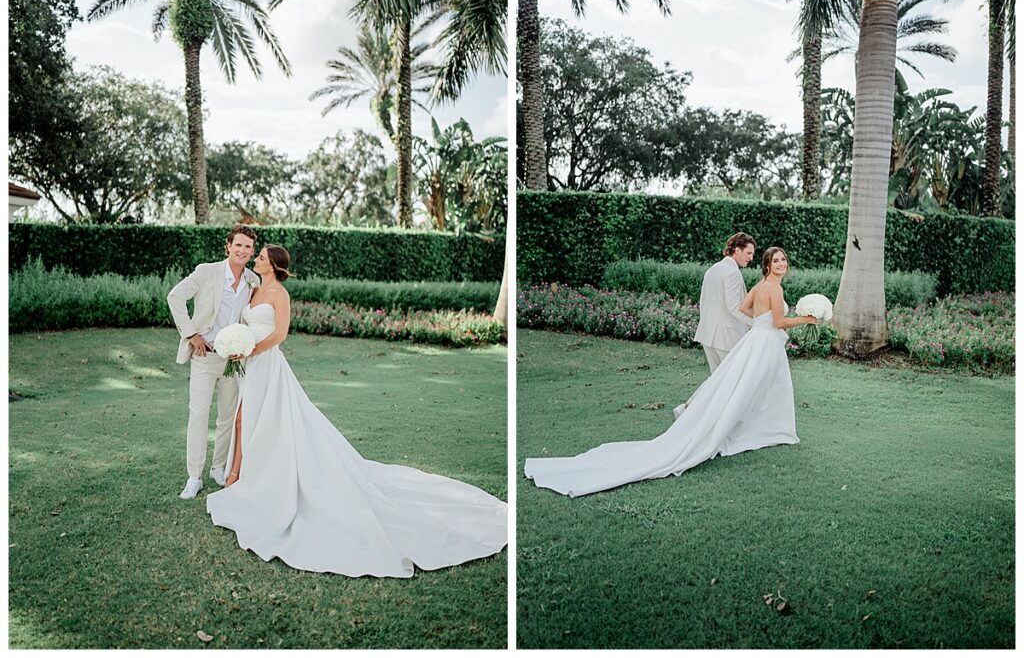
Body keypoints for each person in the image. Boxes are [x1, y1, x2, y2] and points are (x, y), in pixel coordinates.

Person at [206, 245, 507, 577]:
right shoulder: (254, 287)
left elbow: (280, 334)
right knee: (243, 420)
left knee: (256, 420)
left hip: (266, 363)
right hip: (250, 365)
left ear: (274, 266)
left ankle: (240, 478)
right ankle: (240, 476)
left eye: (261, 256)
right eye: (257, 255)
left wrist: (249, 348)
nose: (257, 259)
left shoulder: (279, 293)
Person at [524, 247, 818, 498]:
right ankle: (762, 430)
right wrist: (805, 318)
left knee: (743, 387)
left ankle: (758, 430)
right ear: (768, 265)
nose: (782, 264)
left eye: (784, 261)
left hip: (756, 341)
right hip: (765, 343)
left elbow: (744, 307)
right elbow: (779, 322)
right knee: (761, 388)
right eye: (776, 261)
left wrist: (761, 322)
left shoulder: (758, 286)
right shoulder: (775, 288)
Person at [167, 225, 260, 500]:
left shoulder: (253, 281)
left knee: (228, 418)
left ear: (253, 252)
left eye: (248, 247)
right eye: (238, 245)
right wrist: (192, 334)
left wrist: (245, 345)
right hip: (204, 358)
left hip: (234, 361)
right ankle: (194, 476)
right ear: (228, 247)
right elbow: (175, 297)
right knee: (198, 414)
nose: (242, 250)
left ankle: (219, 468)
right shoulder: (207, 272)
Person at [694, 232, 756, 373]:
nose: (751, 258)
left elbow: (703, 303)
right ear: (737, 250)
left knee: (716, 382)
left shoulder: (713, 269)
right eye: (748, 253)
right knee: (732, 380)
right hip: (726, 336)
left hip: (708, 334)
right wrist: (756, 323)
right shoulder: (732, 272)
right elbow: (734, 307)